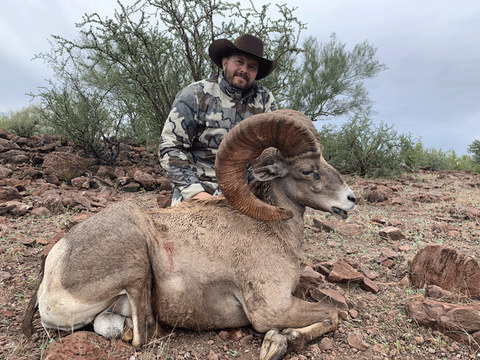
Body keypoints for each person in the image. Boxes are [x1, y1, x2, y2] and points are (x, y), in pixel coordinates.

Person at [158, 34, 278, 205]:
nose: (244, 69)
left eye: (251, 67)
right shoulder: (195, 94)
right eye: (239, 62)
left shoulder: (265, 100)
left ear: (256, 73)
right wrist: (196, 193)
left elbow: (272, 152)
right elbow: (169, 147)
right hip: (199, 187)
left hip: (247, 192)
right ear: (224, 63)